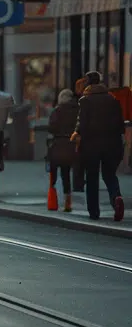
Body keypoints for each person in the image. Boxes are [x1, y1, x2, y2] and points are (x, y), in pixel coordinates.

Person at [73, 71, 125, 222]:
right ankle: (116, 198)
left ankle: (94, 212)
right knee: (109, 174)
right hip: (112, 143)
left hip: (92, 145)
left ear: (88, 83)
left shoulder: (85, 100)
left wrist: (76, 134)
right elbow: (120, 124)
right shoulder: (112, 99)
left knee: (92, 176)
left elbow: (82, 123)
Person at [47, 88, 79, 212]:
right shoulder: (77, 110)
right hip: (71, 144)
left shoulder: (57, 111)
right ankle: (68, 202)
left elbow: (51, 128)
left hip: (58, 143)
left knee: (53, 171)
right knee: (66, 173)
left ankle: (52, 198)